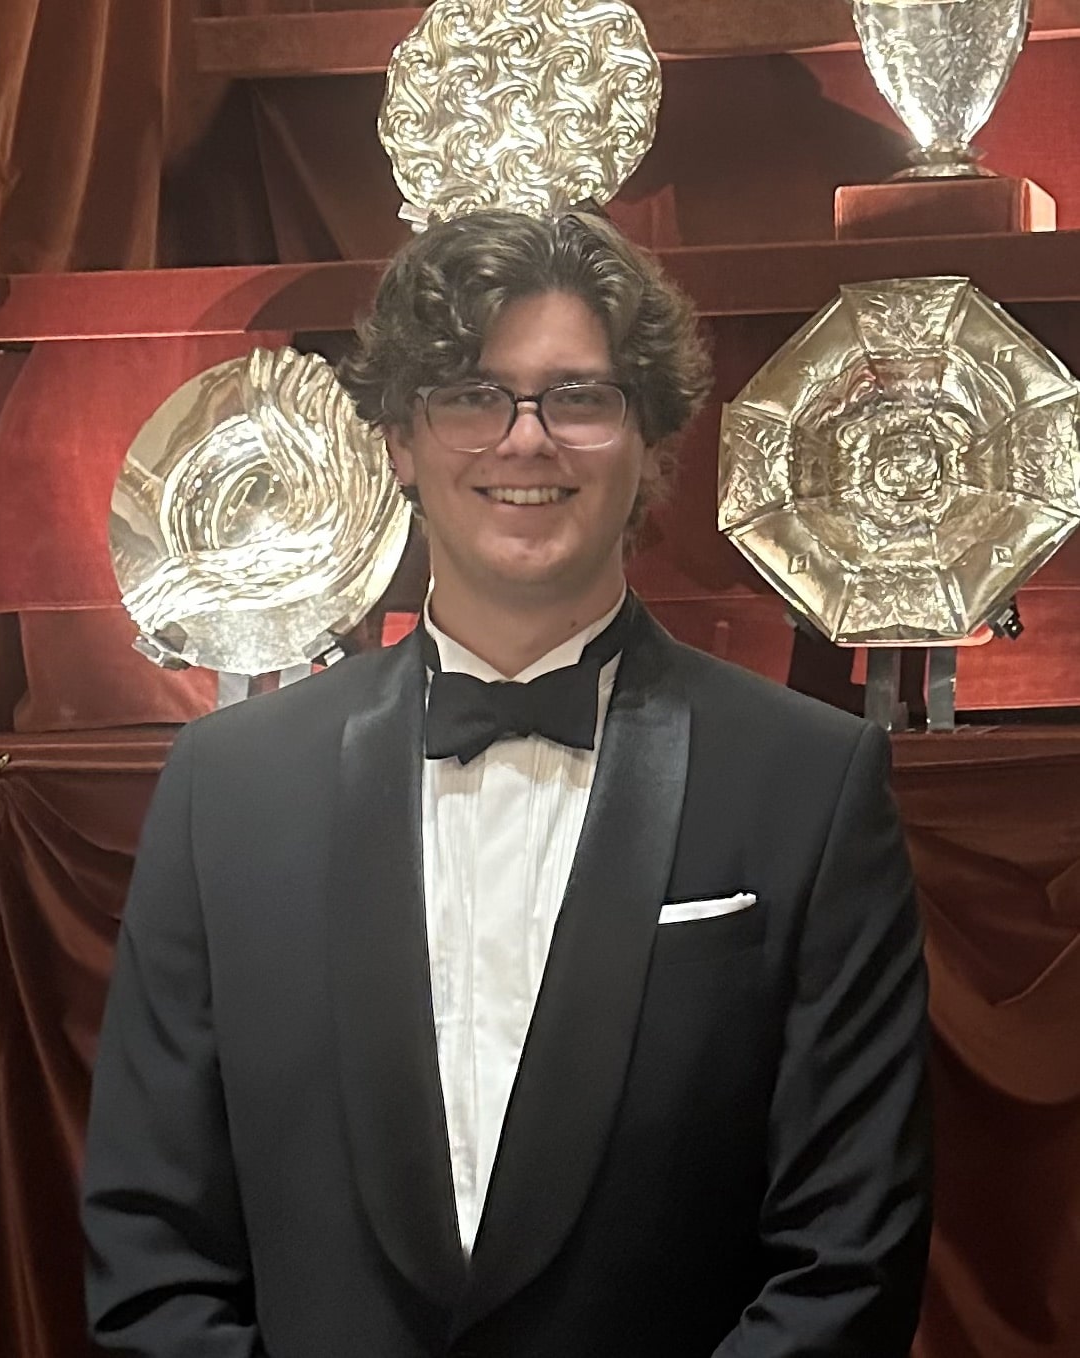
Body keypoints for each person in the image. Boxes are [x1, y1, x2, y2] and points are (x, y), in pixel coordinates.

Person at [83, 210, 932, 1358]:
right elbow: (150, 1246)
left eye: (578, 396)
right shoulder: (226, 786)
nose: (524, 440)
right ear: (396, 438)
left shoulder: (810, 782)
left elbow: (849, 1258)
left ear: (648, 439)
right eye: (473, 394)